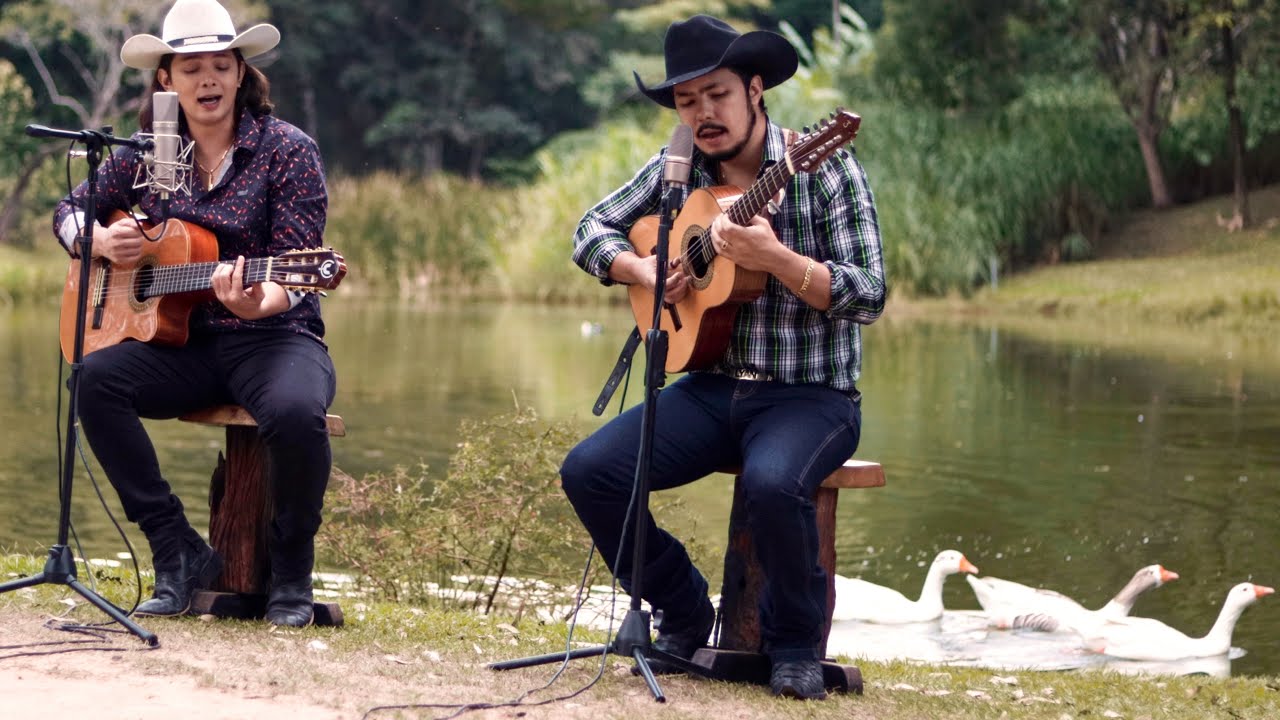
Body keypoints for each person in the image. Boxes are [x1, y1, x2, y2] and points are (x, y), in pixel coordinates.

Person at [562, 15, 885, 700]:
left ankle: (794, 645)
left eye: (717, 94)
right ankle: (682, 610)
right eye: (687, 101)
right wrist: (643, 271)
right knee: (590, 472)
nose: (703, 114)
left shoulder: (823, 166)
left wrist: (778, 260)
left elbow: (869, 293)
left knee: (773, 483)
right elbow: (589, 229)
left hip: (812, 395)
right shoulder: (677, 171)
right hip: (710, 389)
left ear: (756, 89)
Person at [51, 0, 335, 627]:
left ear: (239, 74)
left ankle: (291, 571)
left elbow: (296, 266)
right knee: (96, 381)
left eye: (219, 67)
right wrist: (96, 241)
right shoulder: (149, 152)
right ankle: (175, 548)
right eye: (191, 69)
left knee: (294, 414)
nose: (206, 81)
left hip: (272, 333)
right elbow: (69, 209)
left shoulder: (287, 150)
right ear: (166, 81)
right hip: (180, 343)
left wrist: (258, 298)